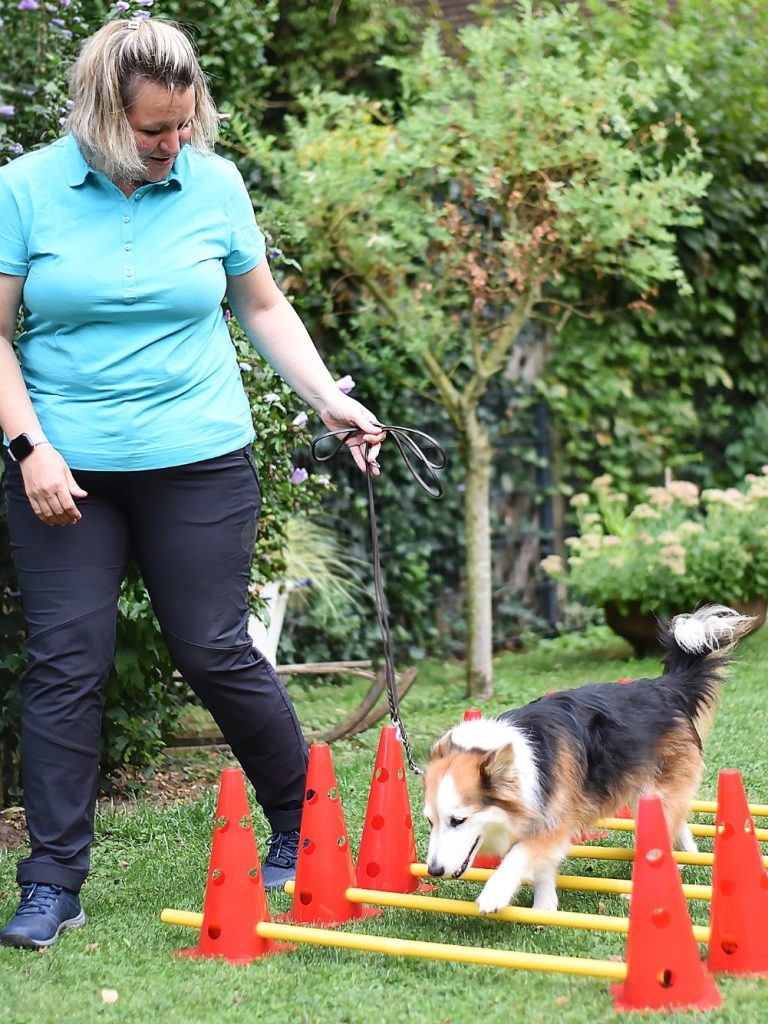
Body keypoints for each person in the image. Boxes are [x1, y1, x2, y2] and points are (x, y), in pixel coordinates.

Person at [0, 18, 384, 950]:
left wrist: (329, 398)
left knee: (213, 647)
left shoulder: (211, 182)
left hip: (200, 456)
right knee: (66, 661)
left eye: (183, 125)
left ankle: (301, 822)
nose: (174, 144)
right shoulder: (25, 189)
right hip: (65, 469)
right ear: (99, 115)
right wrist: (28, 448)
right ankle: (52, 882)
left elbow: (259, 301)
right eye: (152, 130)